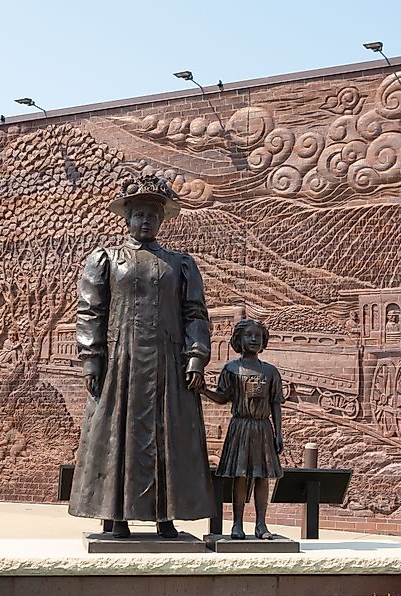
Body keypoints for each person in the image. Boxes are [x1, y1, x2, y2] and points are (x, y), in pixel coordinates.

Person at [68, 175, 214, 539]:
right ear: (127, 218)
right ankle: (115, 518)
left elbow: (196, 313)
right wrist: (91, 358)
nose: (145, 221)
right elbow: (90, 311)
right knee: (118, 436)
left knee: (168, 436)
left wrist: (195, 357)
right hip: (122, 361)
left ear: (161, 220)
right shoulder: (106, 259)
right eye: (139, 214)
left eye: (152, 215)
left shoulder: (180, 264)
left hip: (168, 363)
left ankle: (167, 518)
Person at [200, 319, 284, 540]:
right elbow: (223, 397)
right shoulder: (231, 369)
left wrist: (279, 433)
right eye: (248, 335)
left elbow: (276, 403)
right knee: (240, 476)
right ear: (239, 339)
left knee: (262, 477)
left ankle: (261, 525)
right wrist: (203, 390)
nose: (254, 339)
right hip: (240, 426)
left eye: (258, 335)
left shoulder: (271, 371)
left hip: (262, 428)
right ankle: (237, 525)